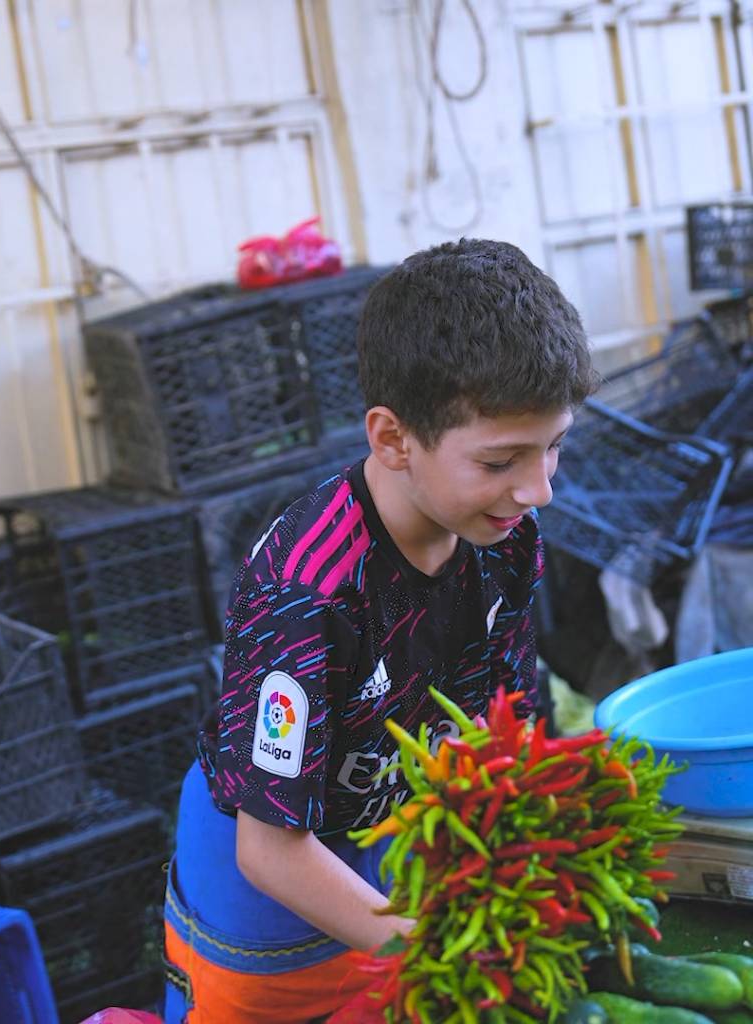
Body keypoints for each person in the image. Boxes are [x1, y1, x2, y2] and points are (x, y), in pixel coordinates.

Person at [162, 239, 598, 1024]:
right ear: (393, 439)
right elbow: (268, 850)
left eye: (554, 446)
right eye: (502, 460)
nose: (539, 489)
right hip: (266, 886)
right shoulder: (308, 589)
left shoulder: (503, 531)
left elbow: (507, 731)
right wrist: (443, 950)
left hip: (393, 830)